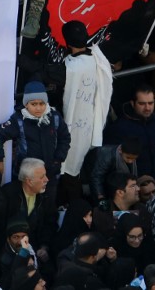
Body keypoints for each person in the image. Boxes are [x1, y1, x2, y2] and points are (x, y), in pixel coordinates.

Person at [59, 21, 113, 187]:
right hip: (93, 122)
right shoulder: (99, 58)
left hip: (77, 126)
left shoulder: (71, 67)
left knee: (71, 169)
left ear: (67, 43)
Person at [0, 81, 71, 180]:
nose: (38, 108)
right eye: (34, 104)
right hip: (25, 175)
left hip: (50, 174)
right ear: (26, 104)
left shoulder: (54, 117)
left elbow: (65, 137)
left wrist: (58, 159)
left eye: (42, 104)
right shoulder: (18, 119)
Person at [104, 85, 155, 186]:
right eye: (142, 104)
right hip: (134, 187)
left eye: (150, 103)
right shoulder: (119, 127)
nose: (147, 108)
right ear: (133, 103)